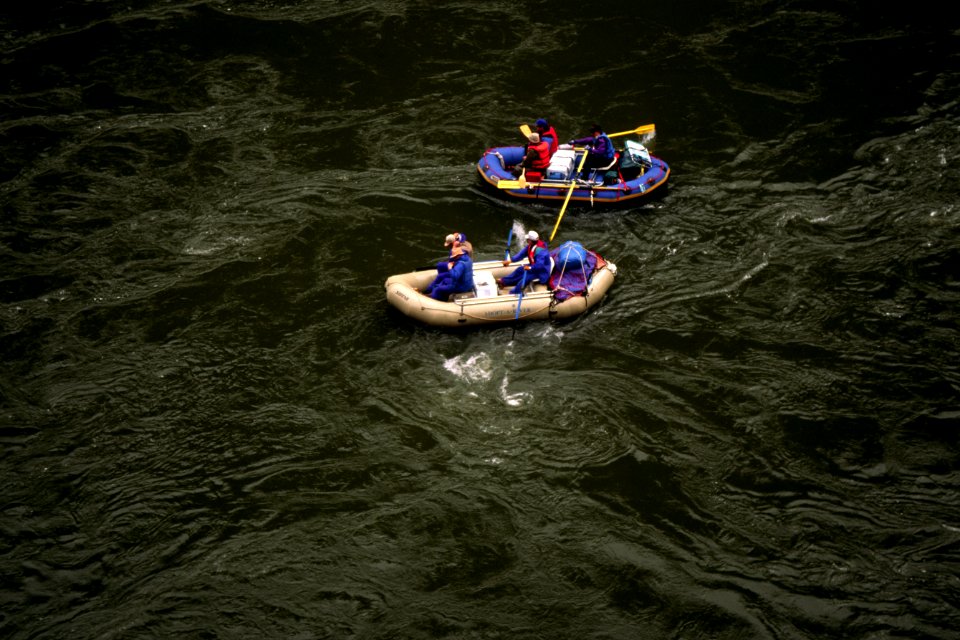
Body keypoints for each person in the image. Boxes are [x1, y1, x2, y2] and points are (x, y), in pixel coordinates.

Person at [497, 230, 552, 294]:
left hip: (542, 272)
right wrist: (510, 261)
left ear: (531, 240)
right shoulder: (530, 246)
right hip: (534, 267)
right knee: (519, 270)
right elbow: (521, 255)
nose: (527, 240)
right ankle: (504, 282)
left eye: (528, 239)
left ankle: (515, 292)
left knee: (526, 278)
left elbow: (540, 265)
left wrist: (529, 268)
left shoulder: (541, 252)